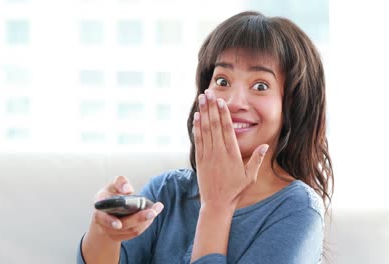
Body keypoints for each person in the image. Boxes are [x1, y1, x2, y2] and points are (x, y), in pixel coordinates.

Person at [78, 11, 333, 264]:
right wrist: (105, 231)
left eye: (260, 86)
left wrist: (216, 207)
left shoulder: (298, 210)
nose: (233, 102)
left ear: (293, 104)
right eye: (222, 80)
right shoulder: (168, 191)